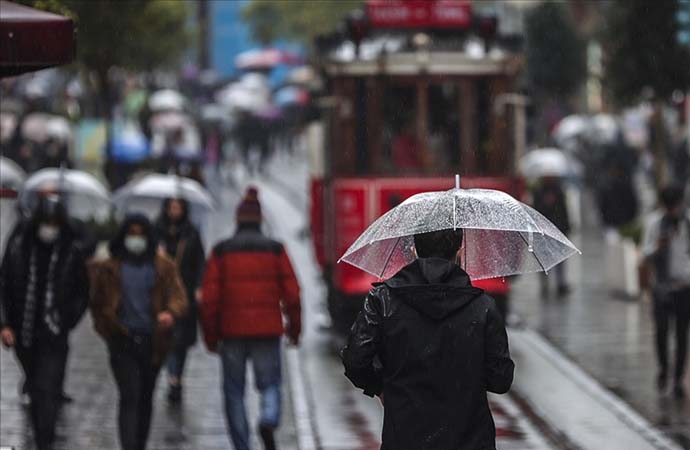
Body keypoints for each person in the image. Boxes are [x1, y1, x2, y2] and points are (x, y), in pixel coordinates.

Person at [341, 228, 514, 450]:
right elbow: (501, 380)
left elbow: (356, 360)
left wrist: (381, 386)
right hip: (470, 440)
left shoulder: (382, 301)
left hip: (405, 439)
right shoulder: (483, 308)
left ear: (414, 250)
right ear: (460, 250)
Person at [199, 187, 301, 450]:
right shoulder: (276, 250)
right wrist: (294, 329)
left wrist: (211, 337)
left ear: (237, 220)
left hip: (232, 333)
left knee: (234, 392)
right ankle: (268, 418)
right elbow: (292, 293)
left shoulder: (222, 251)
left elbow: (209, 299)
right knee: (270, 384)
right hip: (267, 330)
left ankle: (242, 445)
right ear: (260, 220)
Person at [90, 214, 188, 450]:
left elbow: (179, 297)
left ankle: (139, 443)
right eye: (131, 234)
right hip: (122, 341)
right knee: (129, 395)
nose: (136, 239)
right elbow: (97, 302)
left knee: (145, 397)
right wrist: (108, 328)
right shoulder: (110, 268)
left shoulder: (163, 267)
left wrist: (170, 314)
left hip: (152, 343)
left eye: (140, 234)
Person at [0, 196, 89, 450]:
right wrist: (5, 324)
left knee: (48, 392)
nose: (49, 227)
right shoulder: (18, 248)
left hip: (54, 335)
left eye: (54, 222)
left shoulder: (70, 253)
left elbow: (82, 292)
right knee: (37, 389)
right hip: (23, 334)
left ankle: (44, 441)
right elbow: (4, 284)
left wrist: (66, 320)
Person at [155, 198, 206, 404]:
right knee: (168, 338)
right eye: (171, 207)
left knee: (181, 341)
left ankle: (177, 377)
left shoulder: (191, 232)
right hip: (161, 294)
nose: (174, 211)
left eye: (178, 208)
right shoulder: (156, 231)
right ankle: (173, 378)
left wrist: (198, 287)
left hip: (184, 293)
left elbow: (200, 262)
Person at [641, 186, 690, 398]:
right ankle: (663, 368)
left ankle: (678, 379)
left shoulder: (688, 222)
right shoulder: (654, 223)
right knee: (661, 332)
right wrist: (658, 247)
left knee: (681, 335)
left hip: (684, 287)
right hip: (661, 288)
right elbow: (645, 252)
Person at [532, 176, 571, 296]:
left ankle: (560, 284)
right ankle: (545, 285)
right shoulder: (538, 192)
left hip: (557, 229)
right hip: (543, 230)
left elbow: (563, 210)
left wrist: (566, 227)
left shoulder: (558, 191)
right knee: (544, 259)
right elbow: (536, 211)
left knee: (559, 259)